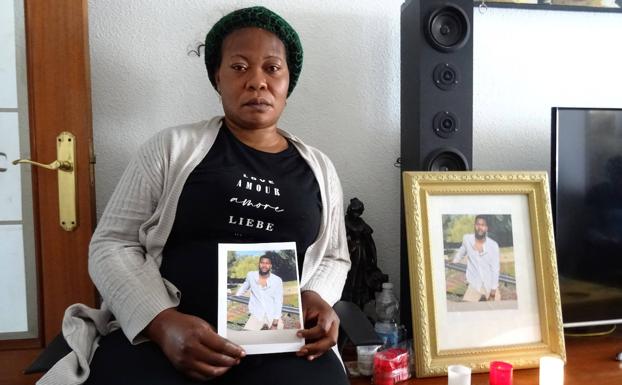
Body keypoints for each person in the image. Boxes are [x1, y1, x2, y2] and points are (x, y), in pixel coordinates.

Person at [38, 6, 350, 385]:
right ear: (217, 76)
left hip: (280, 341)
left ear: (288, 81)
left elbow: (334, 256)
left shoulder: (319, 168)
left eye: (272, 68)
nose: (257, 81)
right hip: (163, 341)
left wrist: (317, 296)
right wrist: (162, 323)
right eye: (238, 67)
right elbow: (111, 244)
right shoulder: (170, 148)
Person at [452, 215, 501, 302]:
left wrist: (493, 293)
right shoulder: (467, 239)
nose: (480, 227)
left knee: (496, 312)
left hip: (489, 286)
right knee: (465, 311)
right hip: (474, 285)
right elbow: (461, 251)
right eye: (478, 224)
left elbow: (495, 270)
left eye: (483, 225)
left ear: (486, 228)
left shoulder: (493, 245)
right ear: (474, 225)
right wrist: (454, 261)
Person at [236, 253, 284, 330]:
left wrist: (275, 323)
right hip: (256, 315)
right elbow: (244, 286)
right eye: (262, 263)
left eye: (267, 263)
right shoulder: (251, 275)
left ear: (270, 265)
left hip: (272, 316)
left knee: (276, 339)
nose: (264, 265)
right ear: (259, 264)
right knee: (247, 338)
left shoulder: (277, 280)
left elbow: (278, 301)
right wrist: (236, 295)